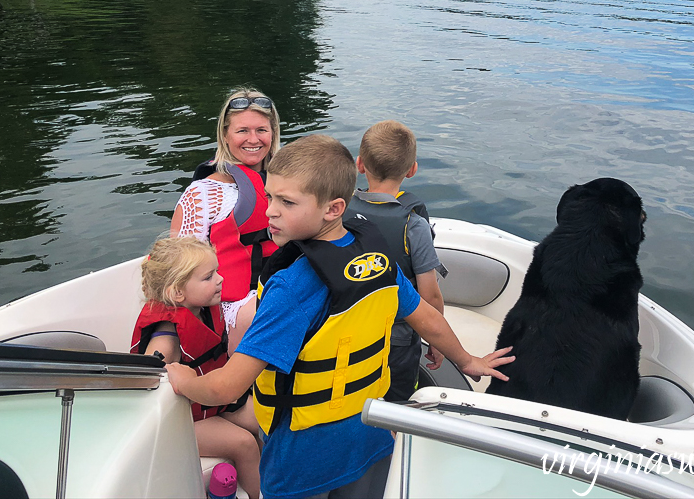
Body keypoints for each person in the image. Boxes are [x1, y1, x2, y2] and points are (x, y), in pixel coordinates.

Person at [166, 134, 514, 499]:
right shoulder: (377, 261)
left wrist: (185, 379)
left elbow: (226, 387)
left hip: (300, 460)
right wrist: (467, 360)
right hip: (370, 435)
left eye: (286, 202)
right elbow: (425, 316)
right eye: (270, 196)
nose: (269, 211)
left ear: (333, 208)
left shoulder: (290, 288)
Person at [131, 235, 261, 499]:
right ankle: (259, 494)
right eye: (208, 277)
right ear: (178, 292)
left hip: (211, 402)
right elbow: (144, 383)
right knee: (245, 444)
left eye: (216, 272)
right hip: (181, 420)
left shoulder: (200, 310)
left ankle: (270, 481)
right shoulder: (166, 339)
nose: (220, 279)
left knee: (265, 422)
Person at [171, 88, 281, 351]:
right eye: (242, 130)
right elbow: (180, 267)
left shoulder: (291, 182)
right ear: (225, 135)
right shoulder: (204, 193)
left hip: (283, 286)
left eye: (262, 130)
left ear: (273, 133)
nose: (253, 139)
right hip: (236, 302)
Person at [345, 120, 447, 401]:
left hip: (346, 333)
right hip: (397, 343)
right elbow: (430, 295)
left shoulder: (338, 211)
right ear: (412, 169)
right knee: (395, 406)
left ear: (360, 164)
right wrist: (436, 340)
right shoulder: (414, 225)